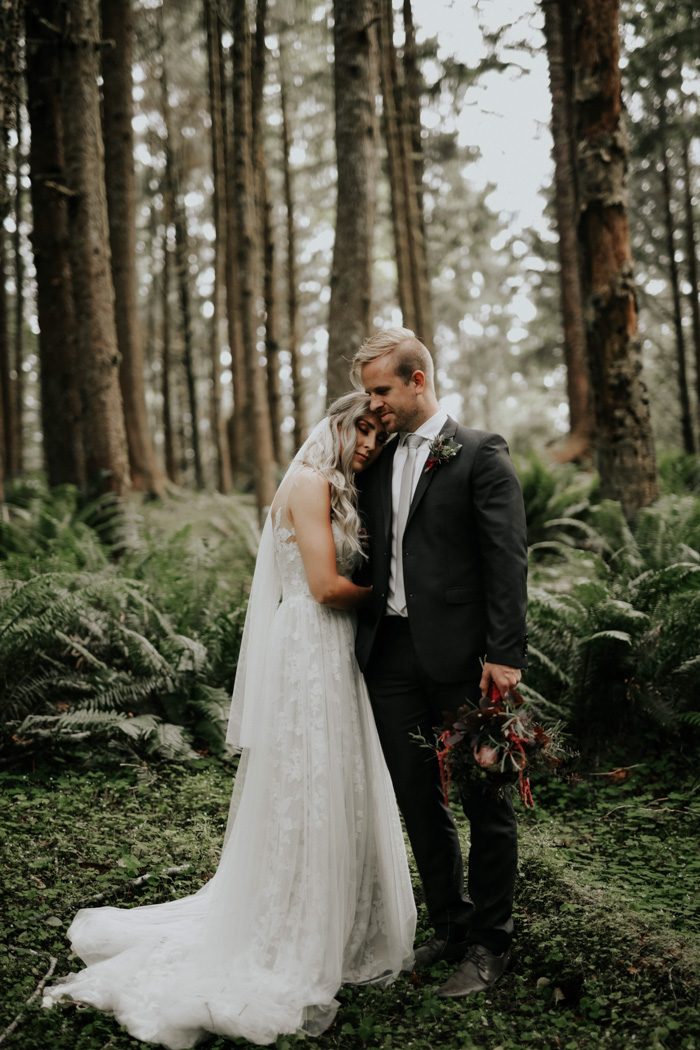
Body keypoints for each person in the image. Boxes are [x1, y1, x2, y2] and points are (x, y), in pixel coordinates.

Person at [42, 392, 416, 1049]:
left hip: (334, 649)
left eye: (378, 435)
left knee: (339, 779)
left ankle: (339, 911)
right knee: (311, 778)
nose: (368, 442)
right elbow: (327, 587)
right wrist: (393, 595)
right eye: (362, 427)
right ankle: (296, 919)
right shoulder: (304, 482)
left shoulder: (338, 486)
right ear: (336, 424)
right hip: (313, 641)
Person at [352, 327, 528, 1000]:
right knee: (417, 801)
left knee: (486, 801)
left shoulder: (480, 454)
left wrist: (505, 657)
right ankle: (452, 926)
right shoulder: (379, 455)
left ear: (417, 380)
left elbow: (506, 561)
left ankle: (491, 944)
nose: (374, 403)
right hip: (390, 657)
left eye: (382, 389)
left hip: (465, 662)